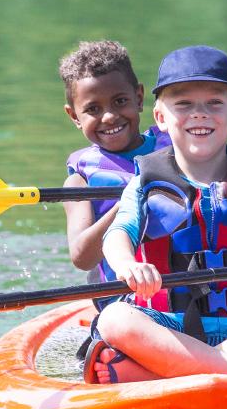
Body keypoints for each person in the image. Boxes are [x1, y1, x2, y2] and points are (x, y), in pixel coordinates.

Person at [83, 45, 227, 385]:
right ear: (161, 117)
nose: (200, 114)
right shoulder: (144, 183)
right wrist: (127, 265)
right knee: (115, 319)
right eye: (184, 104)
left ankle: (158, 370)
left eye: (214, 103)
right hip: (169, 325)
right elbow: (117, 236)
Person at [59, 41, 171, 294]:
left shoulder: (178, 148)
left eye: (120, 101)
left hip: (186, 289)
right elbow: (82, 257)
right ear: (74, 116)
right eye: (93, 109)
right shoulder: (80, 182)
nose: (109, 116)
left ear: (139, 97)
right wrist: (130, 201)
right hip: (125, 299)